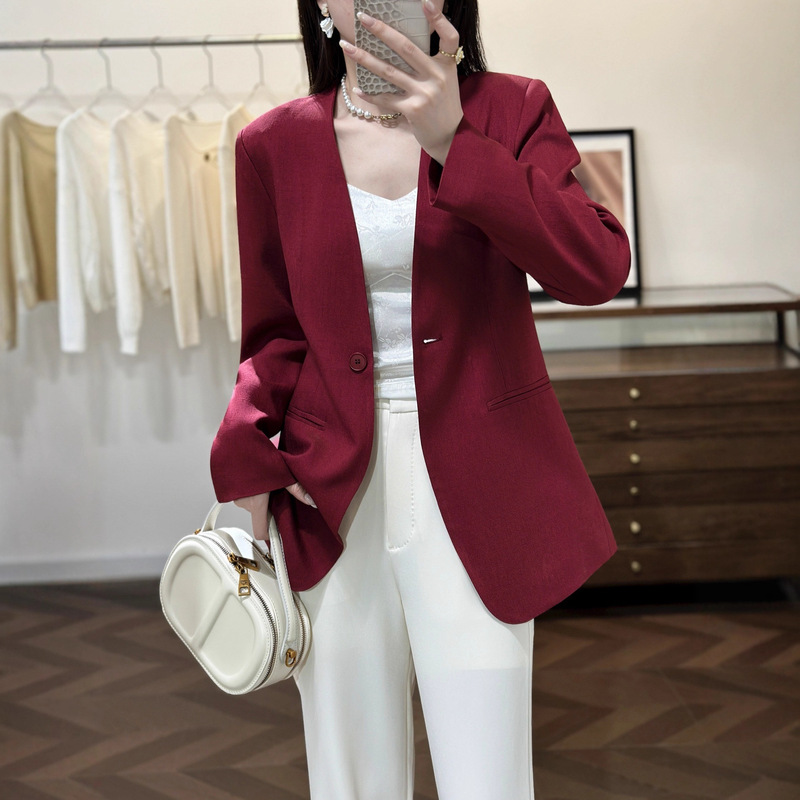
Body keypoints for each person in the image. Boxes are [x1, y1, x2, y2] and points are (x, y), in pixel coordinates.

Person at [210, 1, 631, 797]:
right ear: (322, 5)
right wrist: (249, 453)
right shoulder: (272, 144)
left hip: (485, 478)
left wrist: (453, 141)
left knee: (486, 773)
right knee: (351, 775)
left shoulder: (512, 108)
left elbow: (597, 268)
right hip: (327, 488)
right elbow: (273, 333)